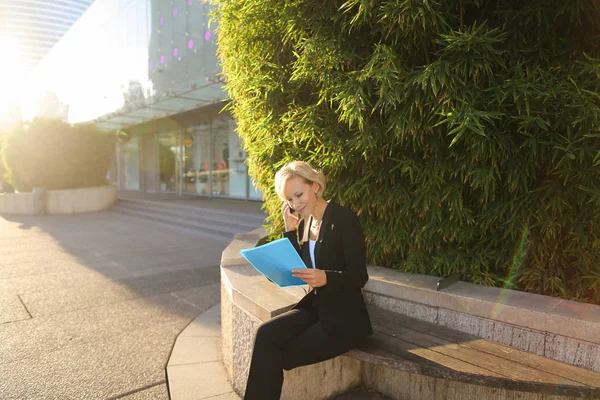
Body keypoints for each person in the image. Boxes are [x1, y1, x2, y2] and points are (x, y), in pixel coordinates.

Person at [244, 161, 373, 400]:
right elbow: (300, 267)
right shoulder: (306, 223)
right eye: (290, 200)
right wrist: (290, 232)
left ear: (315, 186)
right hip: (316, 307)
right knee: (265, 334)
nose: (295, 204)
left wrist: (326, 277)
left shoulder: (344, 219)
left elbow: (359, 276)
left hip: (343, 317)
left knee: (275, 355)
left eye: (299, 194)